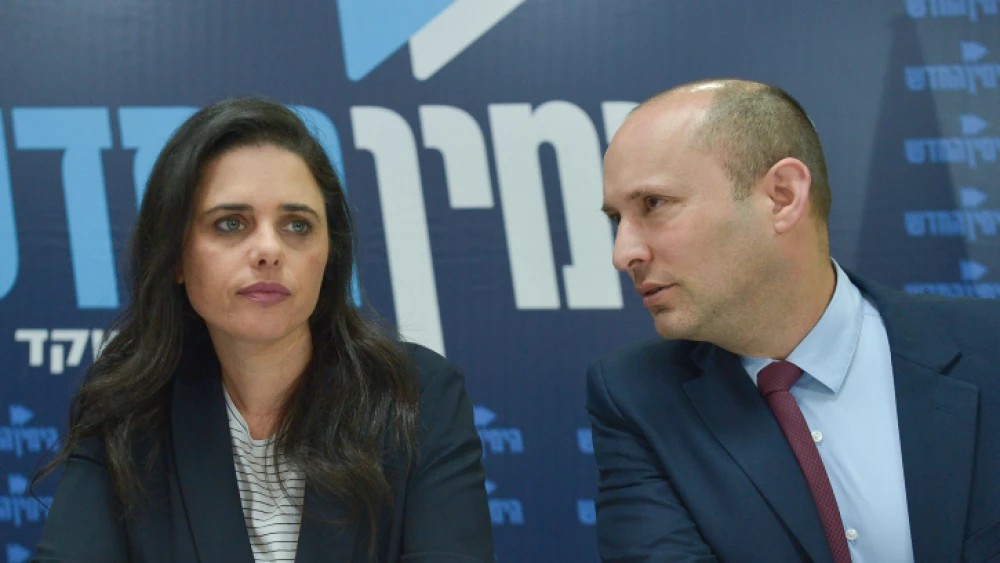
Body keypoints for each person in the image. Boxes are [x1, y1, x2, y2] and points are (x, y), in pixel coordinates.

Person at [32, 97, 495, 562]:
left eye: (297, 225)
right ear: (175, 255)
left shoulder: (418, 396)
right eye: (231, 223)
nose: (269, 250)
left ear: (329, 256)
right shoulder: (128, 409)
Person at [589, 79, 1000, 563]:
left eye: (654, 205)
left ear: (782, 196)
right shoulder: (637, 397)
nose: (623, 254)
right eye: (617, 218)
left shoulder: (987, 348)